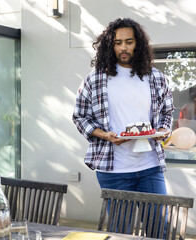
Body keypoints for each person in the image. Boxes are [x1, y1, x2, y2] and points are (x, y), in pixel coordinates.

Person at [72, 18, 174, 197]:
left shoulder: (156, 78)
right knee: (119, 226)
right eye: (118, 43)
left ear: (138, 44)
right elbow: (79, 116)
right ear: (110, 46)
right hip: (113, 169)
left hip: (150, 166)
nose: (123, 48)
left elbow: (167, 112)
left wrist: (163, 130)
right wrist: (105, 135)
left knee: (158, 224)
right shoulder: (95, 79)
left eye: (129, 42)